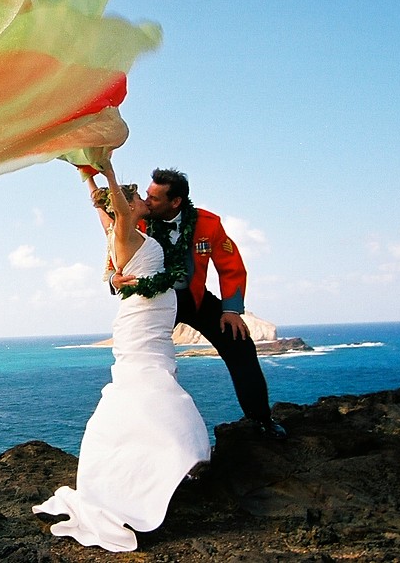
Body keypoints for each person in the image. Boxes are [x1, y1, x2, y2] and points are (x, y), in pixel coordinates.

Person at [32, 164, 211, 552]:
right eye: (134, 199)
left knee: (152, 383)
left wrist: (89, 179)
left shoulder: (118, 232)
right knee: (149, 386)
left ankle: (167, 463)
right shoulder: (126, 232)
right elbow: (114, 207)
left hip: (149, 318)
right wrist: (108, 174)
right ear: (125, 208)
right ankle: (169, 463)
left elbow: (104, 210)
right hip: (143, 321)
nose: (141, 201)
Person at [113, 168, 286, 439]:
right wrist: (114, 277)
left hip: (194, 299)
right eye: (146, 195)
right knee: (143, 360)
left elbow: (230, 266)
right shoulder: (139, 219)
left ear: (176, 202)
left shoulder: (208, 223)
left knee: (241, 346)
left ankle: (261, 419)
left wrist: (231, 310)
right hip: (154, 301)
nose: (146, 201)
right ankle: (137, 434)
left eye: (154, 198)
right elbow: (115, 254)